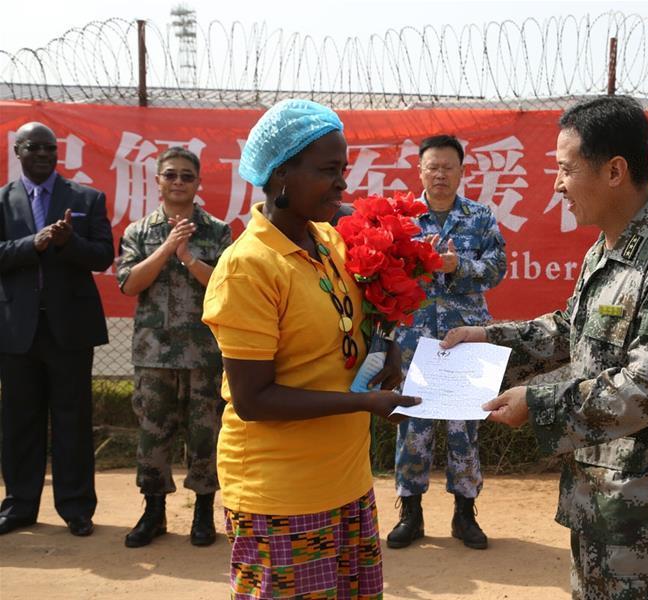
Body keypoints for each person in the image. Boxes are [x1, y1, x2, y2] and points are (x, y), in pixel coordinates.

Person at [442, 96, 648, 599]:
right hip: (599, 490)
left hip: (643, 505)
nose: (557, 185)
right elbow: (570, 328)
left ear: (614, 171)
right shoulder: (607, 248)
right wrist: (487, 337)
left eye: (565, 169)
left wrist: (539, 405)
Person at [201, 99, 420, 600]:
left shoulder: (330, 243)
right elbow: (254, 400)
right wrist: (365, 403)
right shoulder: (247, 268)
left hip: (346, 480)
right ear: (281, 176)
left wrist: (383, 351)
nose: (343, 184)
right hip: (281, 496)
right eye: (327, 171)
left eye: (343, 169)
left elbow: (347, 330)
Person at [387, 134, 507, 551]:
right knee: (413, 427)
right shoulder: (401, 220)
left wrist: (460, 267)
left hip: (464, 339)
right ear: (419, 171)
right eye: (432, 166)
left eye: (448, 167)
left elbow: (496, 269)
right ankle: (411, 512)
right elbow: (383, 273)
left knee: (464, 427)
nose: (440, 174)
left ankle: (464, 513)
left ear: (461, 171)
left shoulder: (479, 217)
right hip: (414, 339)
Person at [0, 122, 114, 537]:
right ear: (18, 151)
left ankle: (76, 507)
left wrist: (68, 243)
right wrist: (33, 243)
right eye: (35, 147)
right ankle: (19, 506)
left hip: (70, 329)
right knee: (19, 421)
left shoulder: (86, 198)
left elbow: (103, 256)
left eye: (51, 147)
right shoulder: (2, 201)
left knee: (72, 421)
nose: (45, 154)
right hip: (17, 331)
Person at [115, 147, 232, 548]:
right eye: (171, 175)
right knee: (152, 435)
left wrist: (188, 258)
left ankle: (203, 511)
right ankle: (154, 512)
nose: (178, 182)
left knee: (206, 435)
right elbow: (129, 284)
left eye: (186, 176)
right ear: (158, 181)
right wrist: (166, 248)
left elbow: (226, 286)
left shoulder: (217, 231)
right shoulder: (138, 232)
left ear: (197, 183)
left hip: (204, 353)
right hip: (154, 354)